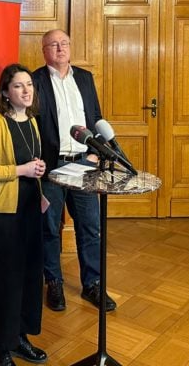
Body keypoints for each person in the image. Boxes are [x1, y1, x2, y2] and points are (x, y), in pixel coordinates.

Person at [33, 29, 116, 313]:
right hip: (52, 164)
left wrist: (95, 152)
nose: (60, 48)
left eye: (64, 43)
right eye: (53, 44)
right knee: (49, 228)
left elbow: (94, 116)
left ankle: (92, 283)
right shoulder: (35, 80)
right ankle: (53, 282)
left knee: (90, 227)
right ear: (44, 50)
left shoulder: (85, 77)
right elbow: (30, 123)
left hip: (84, 163)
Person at [0, 64, 48, 366]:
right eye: (18, 86)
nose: (26, 90)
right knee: (5, 281)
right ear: (6, 92)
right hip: (3, 215)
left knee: (30, 277)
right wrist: (23, 170)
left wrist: (40, 186)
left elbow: (33, 166)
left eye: (29, 84)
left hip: (31, 209)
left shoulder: (31, 121)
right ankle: (0, 347)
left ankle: (20, 337)